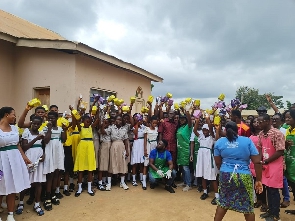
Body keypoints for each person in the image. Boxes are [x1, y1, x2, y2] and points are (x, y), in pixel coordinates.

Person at [213, 121, 263, 221]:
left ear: (225, 131)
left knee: (223, 203)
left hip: (226, 174)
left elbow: (218, 162)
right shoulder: (247, 141)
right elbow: (257, 162)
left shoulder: (219, 142)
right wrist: (258, 180)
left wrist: (225, 171)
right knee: (248, 207)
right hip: (244, 175)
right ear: (238, 130)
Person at [0, 107, 31, 221]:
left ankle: (10, 215)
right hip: (1, 161)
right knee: (1, 188)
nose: (15, 117)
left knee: (12, 187)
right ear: (6, 115)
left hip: (15, 161)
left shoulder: (14, 128)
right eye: (13, 114)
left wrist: (24, 157)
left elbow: (17, 145)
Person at [15, 116, 46, 216]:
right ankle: (20, 203)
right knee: (25, 182)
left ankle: (37, 204)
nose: (36, 126)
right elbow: (24, 147)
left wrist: (43, 154)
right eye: (34, 123)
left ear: (40, 124)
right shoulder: (26, 132)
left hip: (38, 159)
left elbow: (43, 145)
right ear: (31, 123)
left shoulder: (41, 132)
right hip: (28, 158)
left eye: (38, 124)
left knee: (38, 182)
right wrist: (37, 138)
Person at [257, 114, 285, 221]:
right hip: (265, 165)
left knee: (273, 191)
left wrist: (266, 161)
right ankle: (270, 211)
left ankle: (275, 214)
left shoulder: (277, 133)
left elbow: (280, 151)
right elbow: (260, 148)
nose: (258, 124)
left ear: (268, 121)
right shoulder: (261, 134)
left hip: (275, 165)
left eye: (261, 122)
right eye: (258, 122)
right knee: (268, 189)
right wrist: (260, 162)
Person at [42, 111, 66, 211]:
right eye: (49, 118)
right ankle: (47, 198)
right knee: (50, 175)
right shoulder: (46, 128)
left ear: (57, 119)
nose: (51, 120)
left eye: (53, 118)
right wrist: (50, 129)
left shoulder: (60, 129)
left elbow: (64, 139)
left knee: (56, 174)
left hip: (58, 153)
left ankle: (52, 195)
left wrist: (64, 130)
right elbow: (46, 140)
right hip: (49, 152)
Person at [72, 110, 100, 197]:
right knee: (81, 169)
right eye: (86, 121)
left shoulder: (91, 128)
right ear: (83, 122)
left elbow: (97, 119)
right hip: (82, 148)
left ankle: (89, 188)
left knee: (90, 169)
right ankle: (79, 188)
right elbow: (76, 121)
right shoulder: (81, 128)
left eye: (89, 121)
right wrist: (74, 113)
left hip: (90, 148)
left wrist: (98, 110)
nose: (88, 123)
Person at [195, 115, 220, 205]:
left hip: (208, 158)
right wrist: (197, 121)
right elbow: (194, 131)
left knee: (212, 176)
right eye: (203, 130)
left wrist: (208, 120)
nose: (205, 131)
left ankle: (217, 196)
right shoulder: (201, 137)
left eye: (206, 130)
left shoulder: (212, 137)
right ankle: (205, 192)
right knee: (202, 175)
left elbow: (213, 132)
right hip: (201, 157)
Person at [105, 116, 129, 191]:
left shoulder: (124, 129)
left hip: (121, 146)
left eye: (120, 120)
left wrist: (127, 150)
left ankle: (122, 182)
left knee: (122, 163)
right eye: (118, 119)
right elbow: (103, 132)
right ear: (115, 121)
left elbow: (126, 140)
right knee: (112, 163)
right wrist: (103, 124)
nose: (119, 121)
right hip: (114, 145)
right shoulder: (111, 128)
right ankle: (108, 183)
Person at [248, 117, 268, 212]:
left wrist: (262, 161)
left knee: (262, 182)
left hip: (261, 161)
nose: (256, 123)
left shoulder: (263, 135)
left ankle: (264, 202)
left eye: (258, 122)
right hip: (252, 162)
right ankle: (259, 200)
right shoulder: (251, 136)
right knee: (256, 181)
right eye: (254, 122)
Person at [271, 113, 290, 208]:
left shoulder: (284, 131)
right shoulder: (268, 131)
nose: (274, 121)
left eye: (276, 119)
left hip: (281, 157)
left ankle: (286, 198)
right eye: (273, 119)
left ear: (281, 121)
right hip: (270, 158)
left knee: (283, 178)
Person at [176, 109, 193, 192]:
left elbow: (190, 121)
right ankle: (184, 181)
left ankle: (189, 184)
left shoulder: (188, 127)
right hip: (180, 149)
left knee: (186, 167)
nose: (182, 120)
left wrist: (187, 113)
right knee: (182, 166)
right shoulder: (180, 128)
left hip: (186, 148)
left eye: (183, 119)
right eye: (180, 119)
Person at [143, 115, 158, 190]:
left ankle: (153, 180)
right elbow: (145, 140)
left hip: (155, 146)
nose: (155, 124)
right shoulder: (147, 129)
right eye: (153, 123)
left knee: (153, 163)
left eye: (156, 123)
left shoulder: (157, 129)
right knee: (146, 164)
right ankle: (144, 182)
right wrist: (145, 149)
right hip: (148, 146)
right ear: (150, 122)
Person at [130, 114, 145, 186]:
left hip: (142, 144)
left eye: (140, 119)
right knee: (135, 163)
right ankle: (134, 180)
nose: (140, 121)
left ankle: (142, 179)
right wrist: (137, 124)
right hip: (136, 144)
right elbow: (135, 133)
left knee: (142, 163)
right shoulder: (133, 127)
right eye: (138, 119)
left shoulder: (143, 127)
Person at [97, 118, 111, 191]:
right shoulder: (101, 129)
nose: (106, 124)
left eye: (107, 122)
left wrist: (104, 125)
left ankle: (104, 181)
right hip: (104, 145)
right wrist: (103, 125)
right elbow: (102, 131)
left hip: (109, 145)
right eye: (104, 122)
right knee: (102, 165)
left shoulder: (110, 128)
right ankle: (100, 183)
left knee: (107, 165)